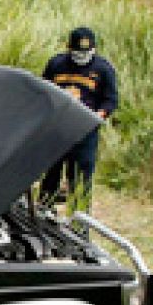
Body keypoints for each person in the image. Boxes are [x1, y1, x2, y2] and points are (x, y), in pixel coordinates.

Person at [41, 26, 119, 203]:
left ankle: (79, 224)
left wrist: (100, 115)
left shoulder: (103, 69)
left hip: (84, 131)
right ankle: (43, 211)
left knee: (80, 181)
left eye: (85, 54)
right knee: (50, 176)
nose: (81, 59)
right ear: (69, 48)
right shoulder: (56, 64)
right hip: (57, 129)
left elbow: (111, 100)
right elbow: (44, 92)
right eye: (77, 54)